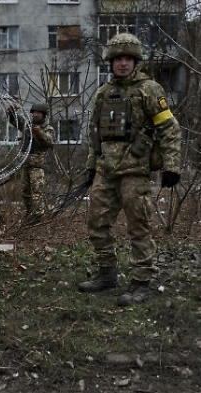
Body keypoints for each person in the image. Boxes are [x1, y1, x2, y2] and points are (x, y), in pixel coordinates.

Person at [78, 33, 181, 307]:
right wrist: (91, 167)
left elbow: (169, 129)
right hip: (105, 170)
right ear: (111, 62)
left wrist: (172, 165)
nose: (122, 64)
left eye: (128, 59)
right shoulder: (102, 93)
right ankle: (107, 274)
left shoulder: (149, 90)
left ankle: (141, 282)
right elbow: (95, 134)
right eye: (118, 59)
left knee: (139, 227)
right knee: (96, 224)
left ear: (136, 61)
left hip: (135, 171)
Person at [7, 103, 55, 220]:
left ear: (44, 115)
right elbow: (16, 121)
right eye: (34, 112)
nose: (36, 115)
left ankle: (38, 217)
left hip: (37, 166)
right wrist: (12, 112)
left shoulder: (48, 128)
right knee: (25, 193)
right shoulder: (27, 125)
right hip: (25, 164)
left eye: (39, 113)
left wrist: (39, 133)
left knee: (37, 193)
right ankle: (30, 214)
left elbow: (49, 142)